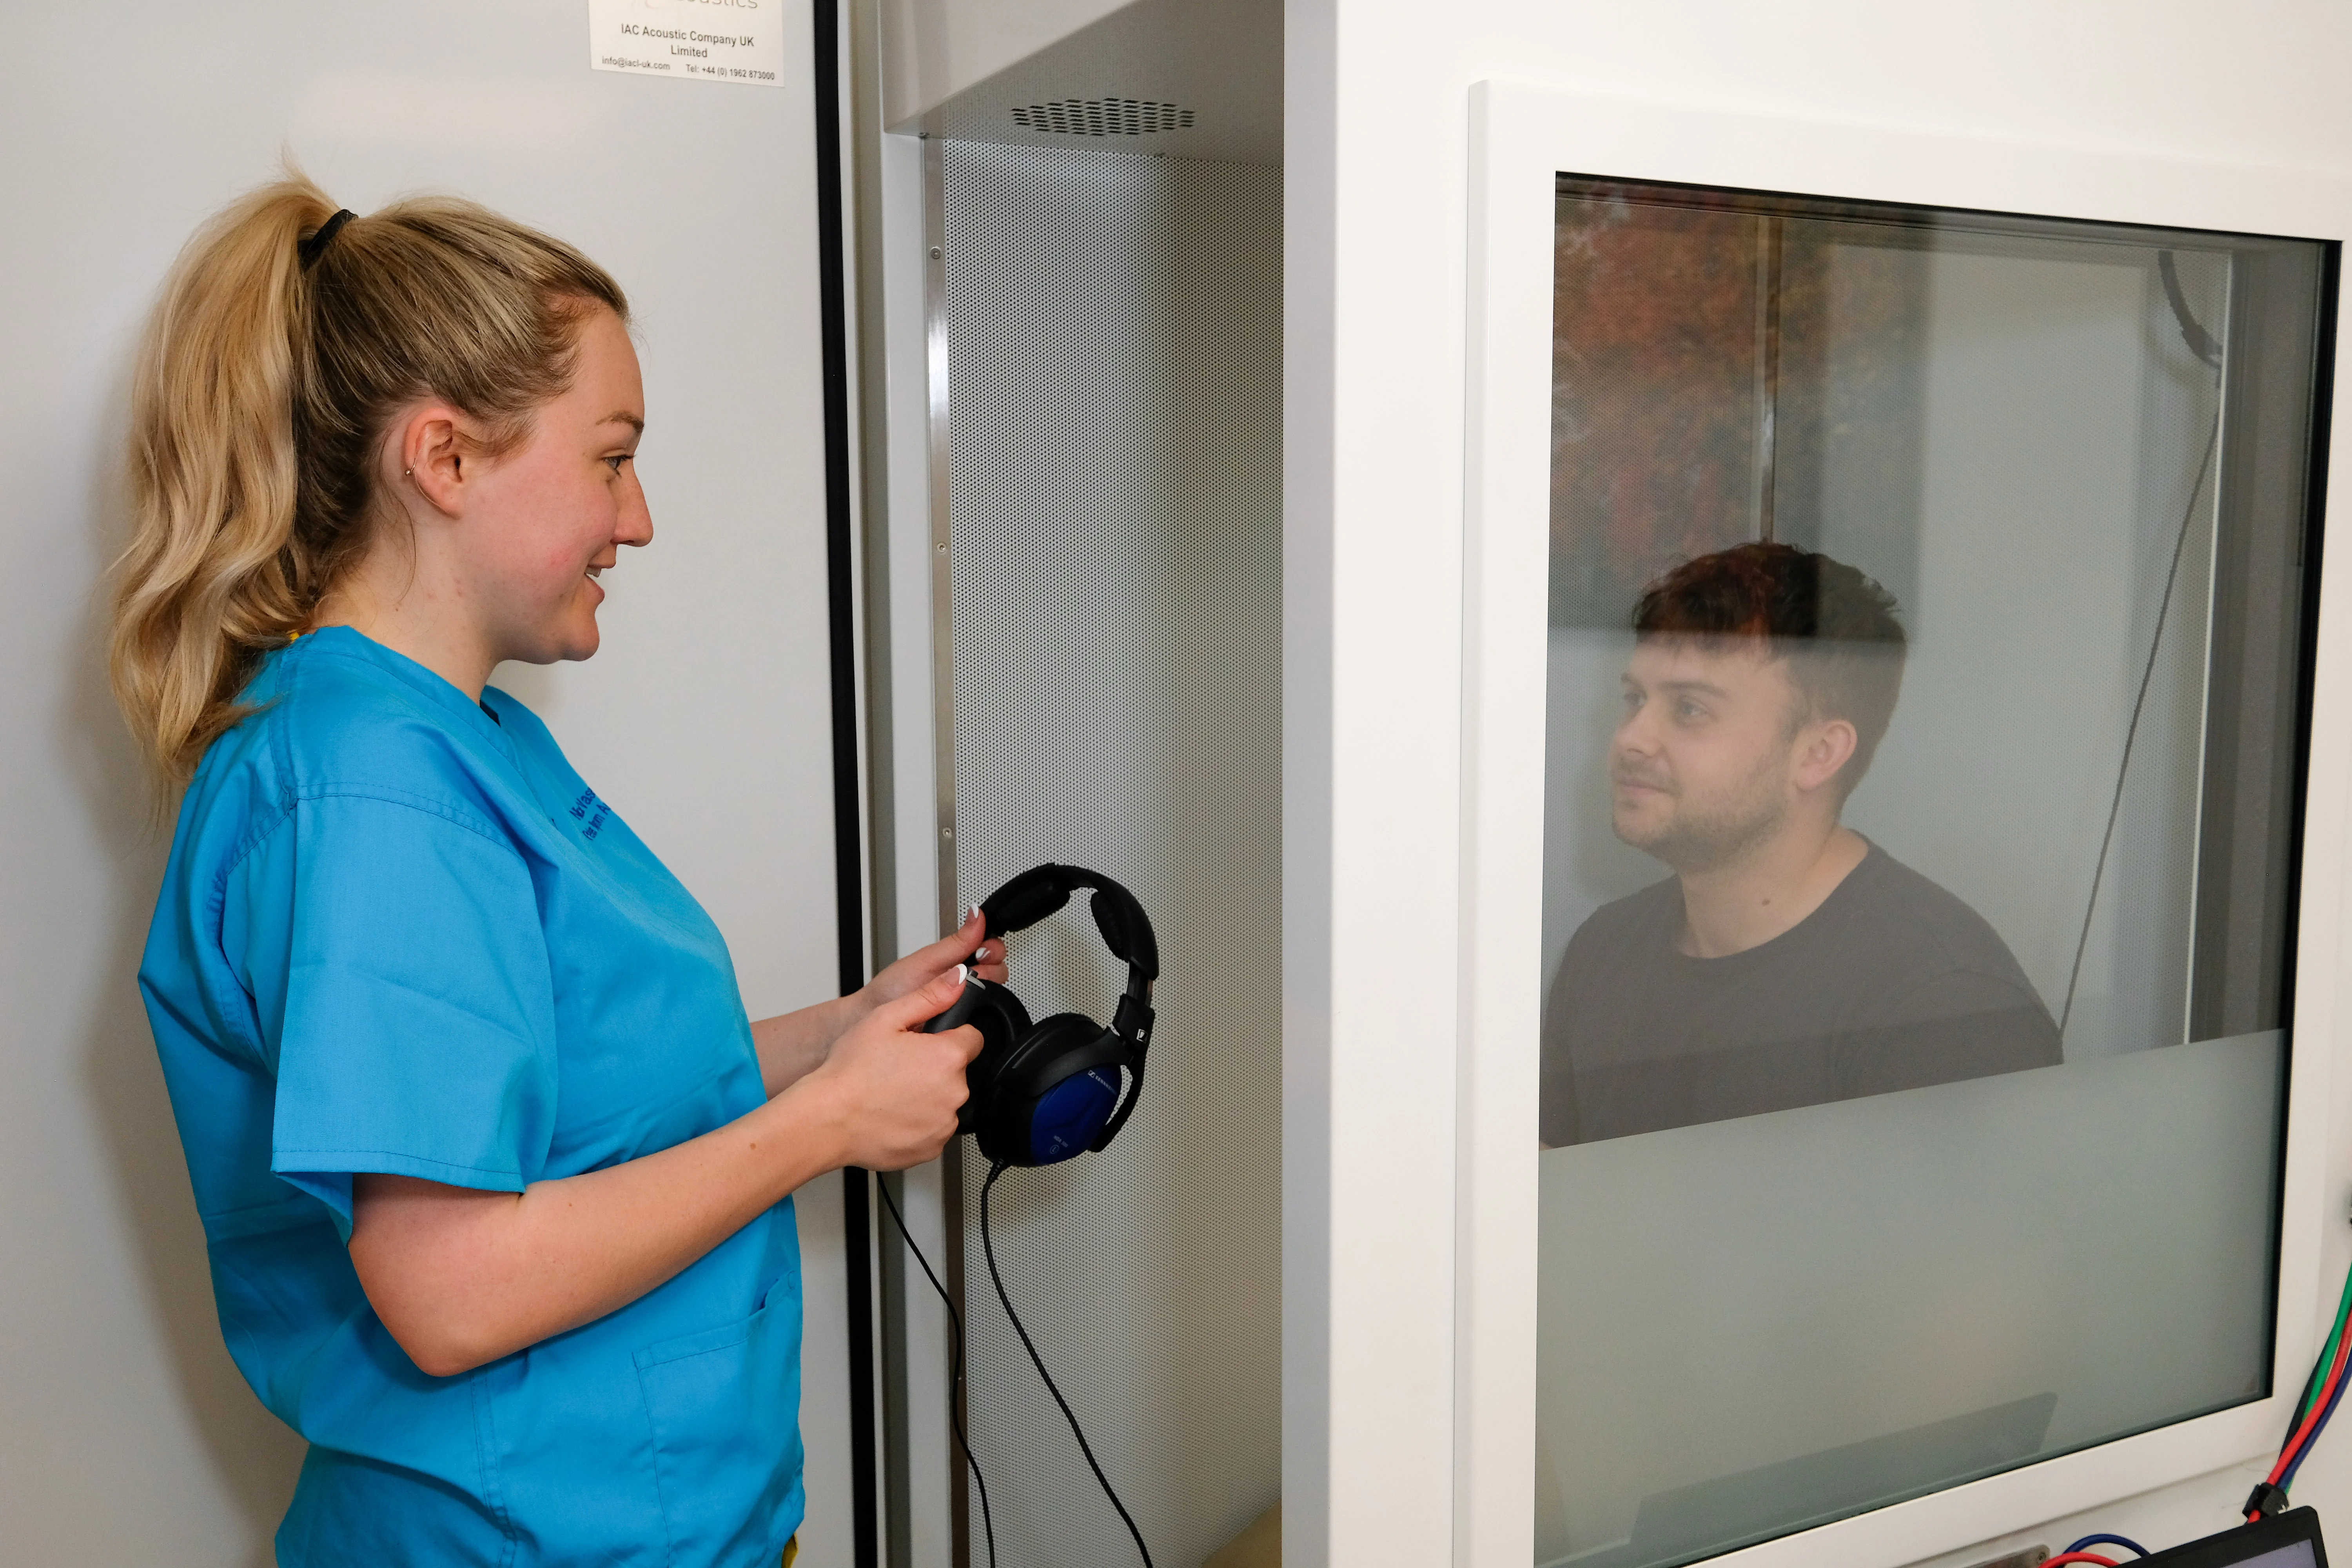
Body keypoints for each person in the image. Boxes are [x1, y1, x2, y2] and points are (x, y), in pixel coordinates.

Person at [112, 176, 992, 1567]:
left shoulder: (452, 744)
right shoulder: (374, 794)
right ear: (445, 459)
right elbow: (449, 1289)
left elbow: (576, 1103)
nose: (636, 519)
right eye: (610, 457)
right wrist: (827, 1129)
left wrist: (844, 1037)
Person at [1539, 542, 2060, 1147]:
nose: (1631, 738)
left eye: (1689, 709)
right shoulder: (1604, 951)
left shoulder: (1945, 1008)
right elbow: (1553, 1208)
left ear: (1818, 754)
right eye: (1635, 700)